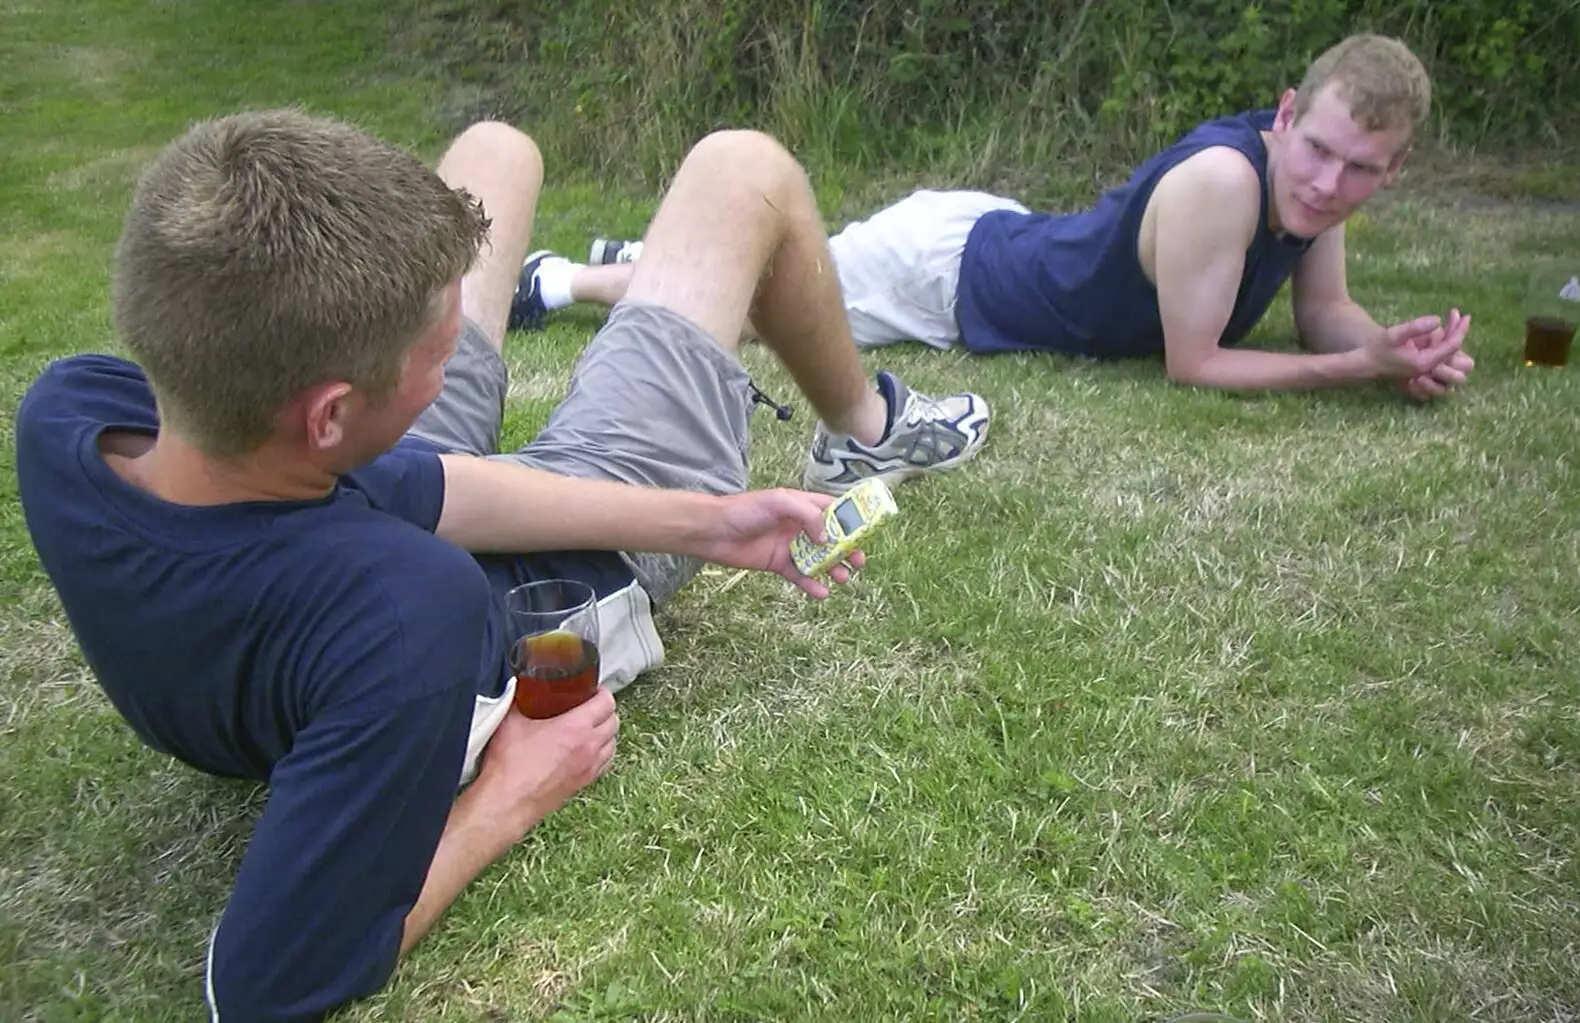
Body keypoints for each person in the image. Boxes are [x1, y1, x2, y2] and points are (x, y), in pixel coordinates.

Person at [14, 111, 990, 1021]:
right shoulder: (403, 615)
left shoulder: (74, 414)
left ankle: (502, 306)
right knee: (741, 171)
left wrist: (712, 522)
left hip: (332, 482)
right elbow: (263, 984)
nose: (464, 358)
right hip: (547, 584)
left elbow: (412, 484)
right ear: (329, 414)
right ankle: (865, 430)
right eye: (442, 352)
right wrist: (509, 792)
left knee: (494, 147)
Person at [529, 34, 1473, 399]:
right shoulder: (1228, 182)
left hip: (1003, 236)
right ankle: (562, 278)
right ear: (1285, 115)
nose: (1325, 182)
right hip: (946, 278)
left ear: (1392, 171)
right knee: (755, 300)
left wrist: (1393, 344)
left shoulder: (1314, 192)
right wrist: (1356, 370)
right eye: (1316, 149)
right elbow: (1198, 364)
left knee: (772, 275)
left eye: (1358, 171)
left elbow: (1325, 313)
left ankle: (639, 251)